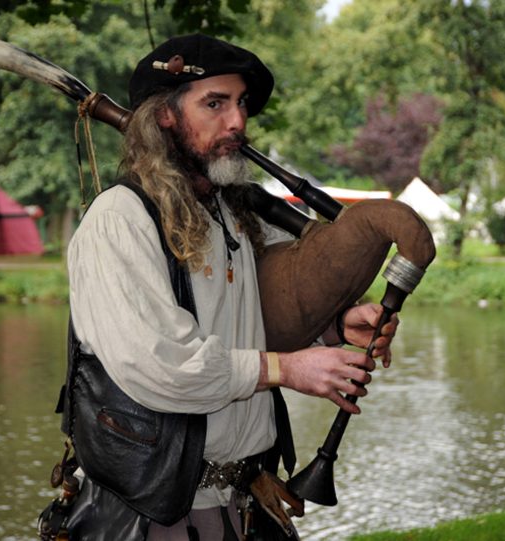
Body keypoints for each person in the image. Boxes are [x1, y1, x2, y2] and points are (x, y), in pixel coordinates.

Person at [55, 33, 398, 541]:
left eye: (240, 103)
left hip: (244, 503)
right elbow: (165, 366)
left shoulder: (231, 216)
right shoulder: (119, 220)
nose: (237, 121)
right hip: (151, 517)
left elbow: (250, 321)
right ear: (164, 116)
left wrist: (334, 328)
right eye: (214, 104)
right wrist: (287, 369)